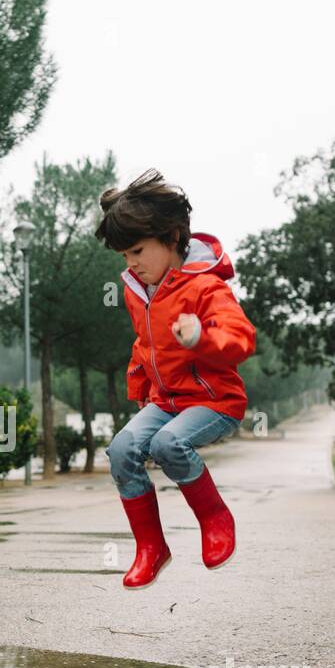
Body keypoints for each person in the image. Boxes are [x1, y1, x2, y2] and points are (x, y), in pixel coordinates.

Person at [95, 169, 256, 588]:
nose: (131, 263)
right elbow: (143, 345)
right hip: (164, 401)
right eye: (124, 256)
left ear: (170, 236)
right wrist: (139, 389)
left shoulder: (205, 287)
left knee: (168, 444)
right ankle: (151, 546)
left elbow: (240, 338)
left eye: (136, 251)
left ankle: (215, 518)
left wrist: (202, 338)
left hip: (214, 401)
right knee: (121, 450)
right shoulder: (137, 290)